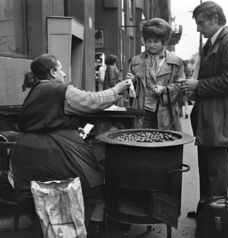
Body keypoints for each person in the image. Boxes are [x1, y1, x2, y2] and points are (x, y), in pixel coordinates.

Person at [6, 54, 131, 228]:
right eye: (61, 69)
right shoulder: (59, 90)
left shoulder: (36, 90)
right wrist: (117, 89)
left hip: (29, 152)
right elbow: (92, 101)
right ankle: (81, 227)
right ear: (52, 71)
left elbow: (46, 119)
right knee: (92, 182)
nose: (64, 74)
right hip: (48, 152)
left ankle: (69, 224)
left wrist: (68, 129)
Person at [178, 1, 228, 218]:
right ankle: (208, 211)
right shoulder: (214, 43)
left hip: (218, 116)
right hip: (209, 115)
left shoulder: (227, 43)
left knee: (217, 169)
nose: (198, 28)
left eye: (201, 23)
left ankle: (221, 218)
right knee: (206, 166)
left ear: (215, 19)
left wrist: (198, 86)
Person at [126, 18, 185, 131]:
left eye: (156, 41)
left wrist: (164, 89)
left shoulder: (176, 62)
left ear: (164, 40)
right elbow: (128, 92)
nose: (151, 45)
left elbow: (181, 87)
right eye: (148, 41)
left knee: (164, 144)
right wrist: (131, 84)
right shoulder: (135, 61)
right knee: (143, 143)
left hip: (166, 114)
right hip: (142, 113)